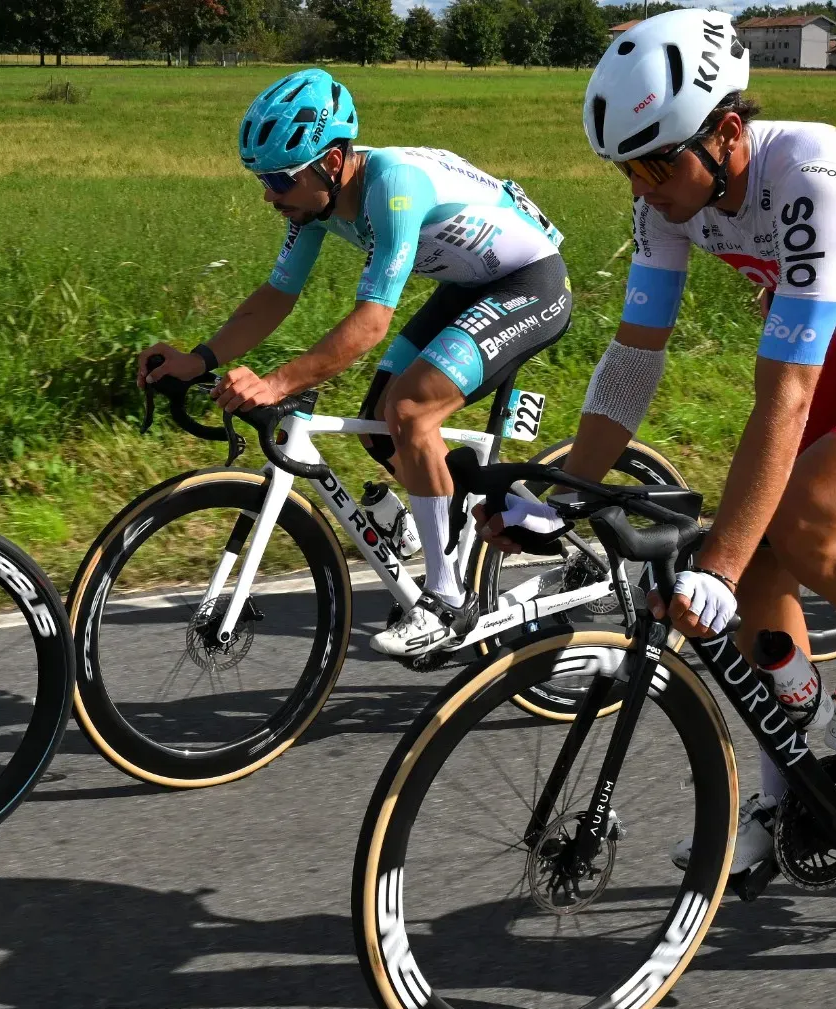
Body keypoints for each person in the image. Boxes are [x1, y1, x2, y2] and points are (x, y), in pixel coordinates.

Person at [488, 9, 836, 878]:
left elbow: (783, 397)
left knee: (807, 522)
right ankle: (792, 788)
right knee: (754, 559)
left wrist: (714, 566)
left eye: (654, 162)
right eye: (625, 169)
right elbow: (636, 359)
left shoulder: (810, 173)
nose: (642, 187)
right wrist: (553, 496)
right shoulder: (677, 198)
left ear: (726, 132)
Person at [135, 68, 572, 658]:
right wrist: (199, 358)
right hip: (470, 286)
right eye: (261, 179)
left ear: (332, 160)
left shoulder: (392, 185)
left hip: (528, 283)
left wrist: (274, 384)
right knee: (379, 427)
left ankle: (448, 600)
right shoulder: (313, 204)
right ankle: (445, 512)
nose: (269, 194)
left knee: (412, 409)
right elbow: (276, 296)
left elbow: (371, 324)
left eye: (279, 179)